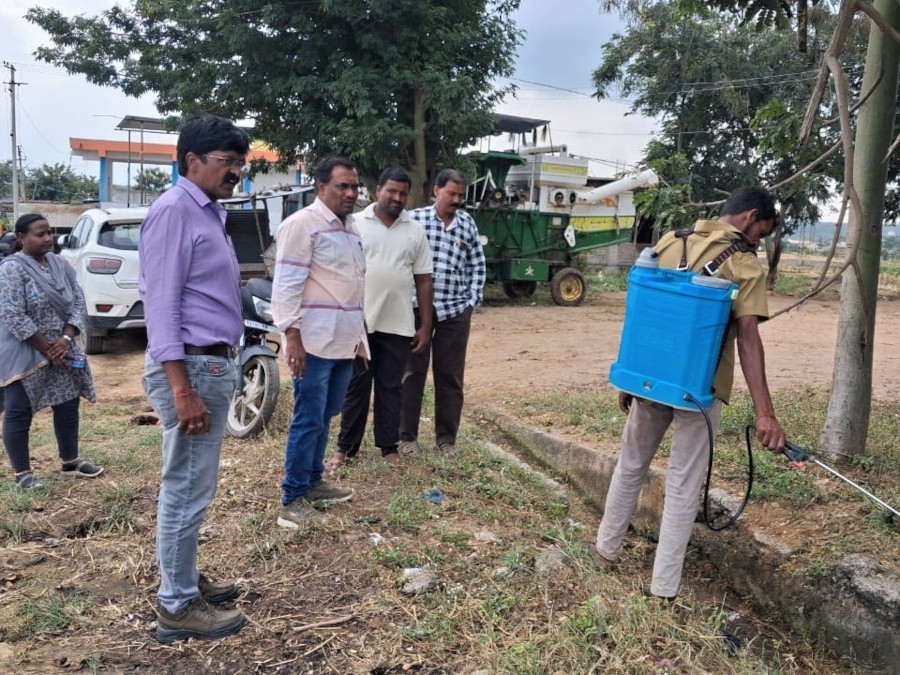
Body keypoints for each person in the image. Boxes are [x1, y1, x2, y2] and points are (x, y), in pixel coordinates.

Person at [593, 186, 787, 600]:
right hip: (699, 391)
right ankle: (663, 588)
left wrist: (631, 376)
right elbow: (748, 340)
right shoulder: (743, 263)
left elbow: (642, 312)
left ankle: (605, 552)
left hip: (650, 379)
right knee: (683, 484)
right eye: (761, 233)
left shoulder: (669, 241)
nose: (758, 242)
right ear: (750, 217)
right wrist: (765, 414)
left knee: (630, 465)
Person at [139, 114, 249, 643]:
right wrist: (182, 388)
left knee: (192, 485)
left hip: (208, 364)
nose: (236, 172)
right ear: (192, 161)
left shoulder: (208, 212)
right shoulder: (174, 211)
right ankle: (177, 606)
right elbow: (161, 306)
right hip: (192, 367)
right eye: (227, 161)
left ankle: (182, 579)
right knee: (185, 487)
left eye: (240, 163)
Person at [272, 156, 368, 528]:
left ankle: (313, 482)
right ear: (321, 187)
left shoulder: (350, 227)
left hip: (343, 341)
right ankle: (292, 497)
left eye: (354, 186)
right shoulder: (302, 225)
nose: (351, 193)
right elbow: (286, 286)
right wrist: (292, 336)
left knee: (325, 416)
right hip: (312, 342)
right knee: (309, 418)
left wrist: (358, 339)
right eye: (343, 186)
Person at [326, 168, 433, 470]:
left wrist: (425, 325)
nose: (397, 198)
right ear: (378, 191)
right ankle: (345, 449)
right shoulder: (355, 224)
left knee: (391, 388)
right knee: (356, 388)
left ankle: (389, 448)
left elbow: (424, 280)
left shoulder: (415, 230)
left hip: (398, 324)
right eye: (392, 191)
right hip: (359, 323)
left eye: (403, 193)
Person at [0, 213, 103, 489]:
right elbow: (12, 314)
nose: (48, 239)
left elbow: (78, 301)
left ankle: (70, 462)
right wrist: (49, 348)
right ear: (22, 238)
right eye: (40, 234)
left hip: (62, 348)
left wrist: (66, 339)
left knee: (68, 403)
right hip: (25, 352)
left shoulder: (60, 264)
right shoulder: (11, 269)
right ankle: (23, 473)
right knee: (19, 411)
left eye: (49, 233)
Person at [400, 169, 486, 457]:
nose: (456, 200)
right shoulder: (415, 220)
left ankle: (447, 440)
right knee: (412, 373)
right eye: (452, 193)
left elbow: (477, 264)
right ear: (436, 191)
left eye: (461, 195)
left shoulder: (467, 223)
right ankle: (407, 437)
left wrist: (471, 301)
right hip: (416, 309)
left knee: (450, 376)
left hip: (454, 311)